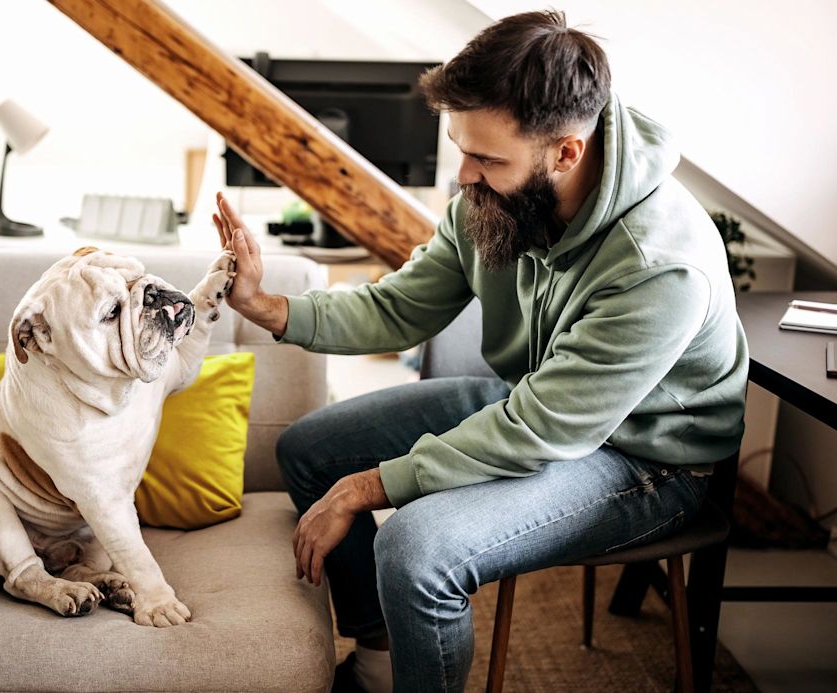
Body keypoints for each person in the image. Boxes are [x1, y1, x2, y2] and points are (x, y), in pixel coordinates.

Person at [211, 9, 748, 692]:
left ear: (566, 152)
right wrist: (266, 307)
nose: (464, 175)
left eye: (488, 158)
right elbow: (401, 306)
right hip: (542, 400)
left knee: (416, 548)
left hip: (649, 459)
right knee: (308, 449)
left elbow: (541, 429)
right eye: (460, 147)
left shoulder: (659, 263)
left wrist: (367, 487)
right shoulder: (491, 198)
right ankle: (379, 661)